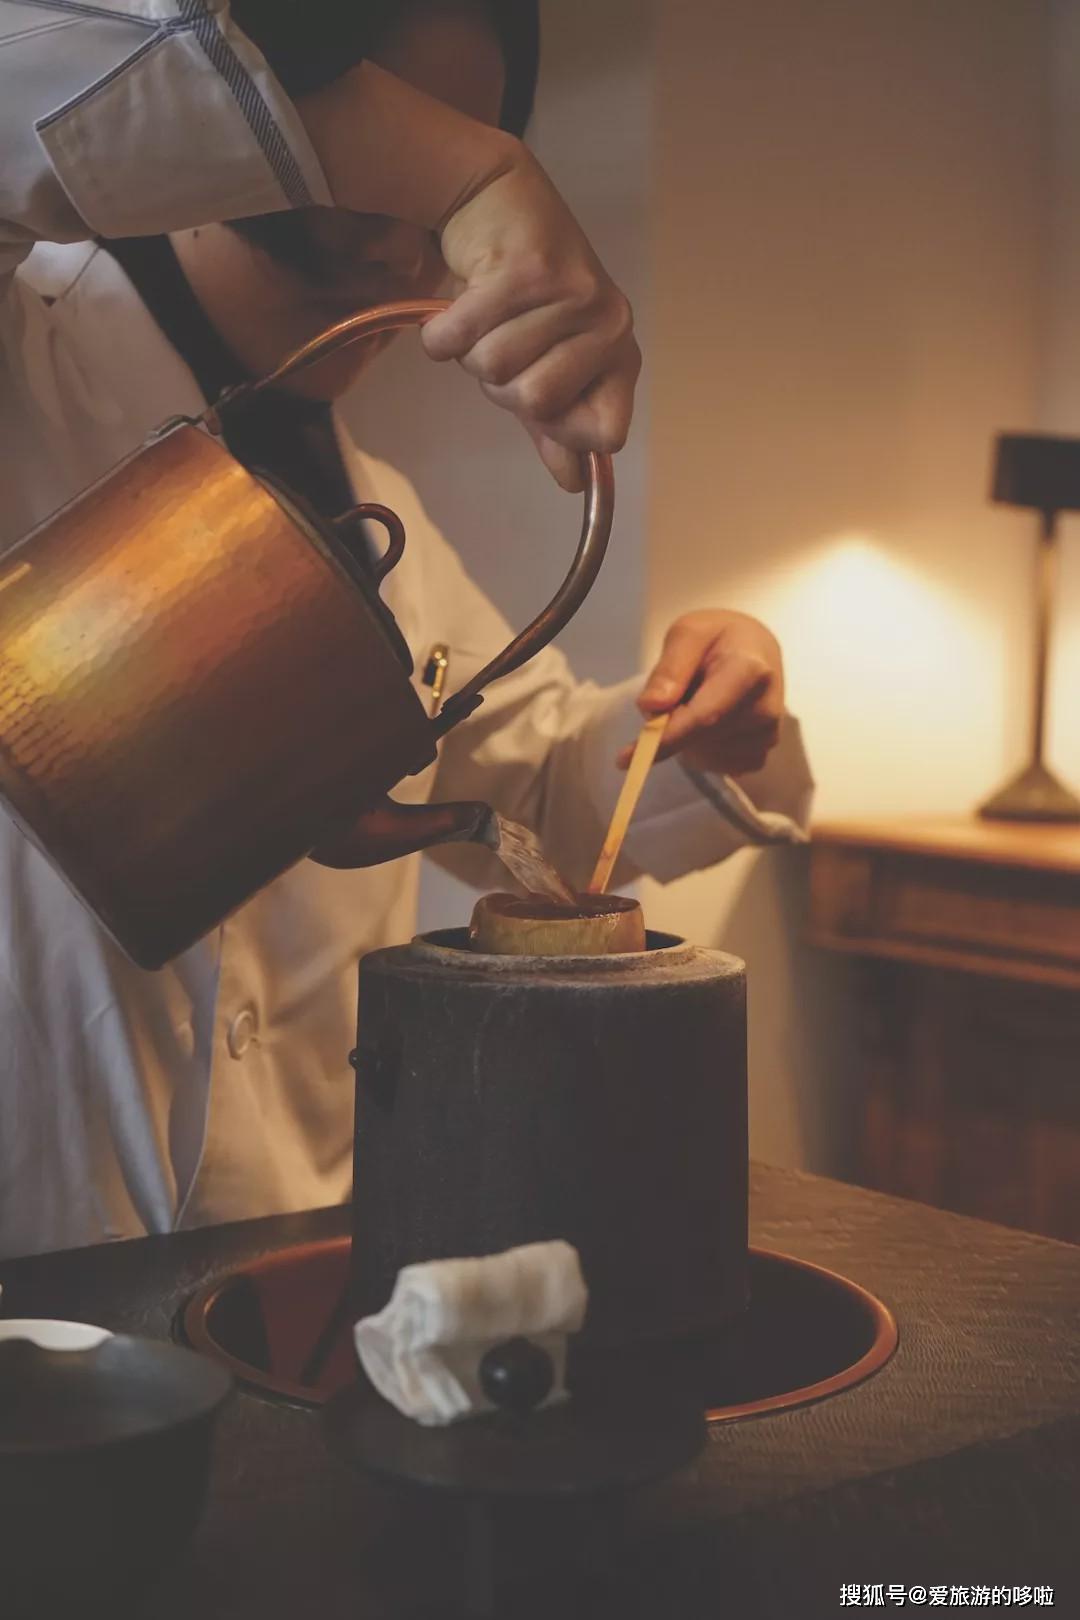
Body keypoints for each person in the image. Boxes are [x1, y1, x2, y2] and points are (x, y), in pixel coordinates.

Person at [0, 0, 813, 1260]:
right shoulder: (23, 352)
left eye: (428, 204)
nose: (396, 250)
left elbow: (524, 784)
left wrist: (703, 720)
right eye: (355, 158)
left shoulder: (369, 507)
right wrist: (471, 171)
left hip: (289, 1276)